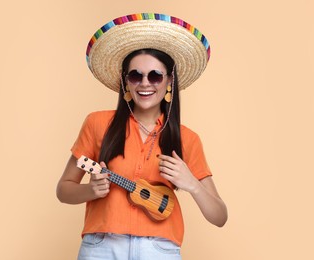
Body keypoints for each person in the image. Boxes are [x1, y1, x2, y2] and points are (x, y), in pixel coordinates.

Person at [56, 13, 228, 259]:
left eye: (155, 76)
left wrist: (191, 183)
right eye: (135, 75)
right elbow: (63, 189)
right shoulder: (97, 123)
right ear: (126, 83)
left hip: (158, 249)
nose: (145, 84)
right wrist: (90, 191)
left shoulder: (187, 139)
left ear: (169, 81)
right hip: (102, 247)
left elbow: (219, 216)